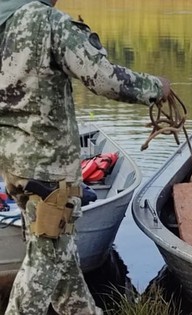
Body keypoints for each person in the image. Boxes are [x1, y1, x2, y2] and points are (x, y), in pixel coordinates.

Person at [0, 0, 171, 314]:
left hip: (14, 165)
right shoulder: (47, 21)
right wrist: (156, 88)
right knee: (46, 259)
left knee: (61, 261)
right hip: (48, 170)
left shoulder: (4, 20)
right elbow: (104, 79)